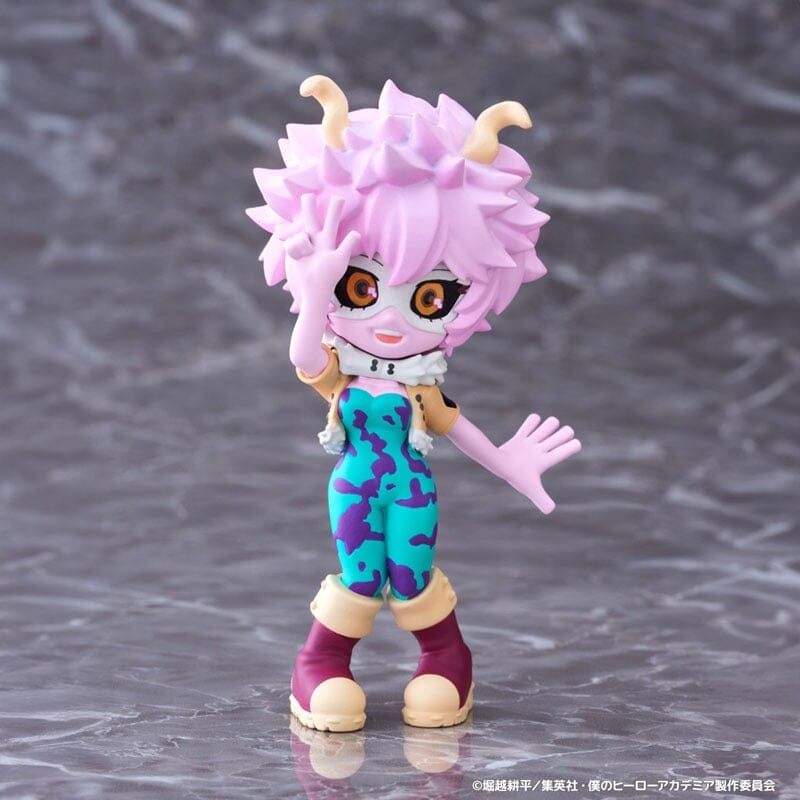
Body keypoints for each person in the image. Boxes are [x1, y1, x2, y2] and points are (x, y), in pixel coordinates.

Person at [248, 75, 581, 732]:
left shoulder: (421, 383)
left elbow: (454, 425)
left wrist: (509, 463)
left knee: (410, 572)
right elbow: (303, 358)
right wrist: (316, 295)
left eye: (432, 297)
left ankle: (446, 656)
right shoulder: (341, 373)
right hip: (354, 486)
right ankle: (321, 660)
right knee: (360, 573)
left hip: (412, 488)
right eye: (362, 287)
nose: (391, 317)